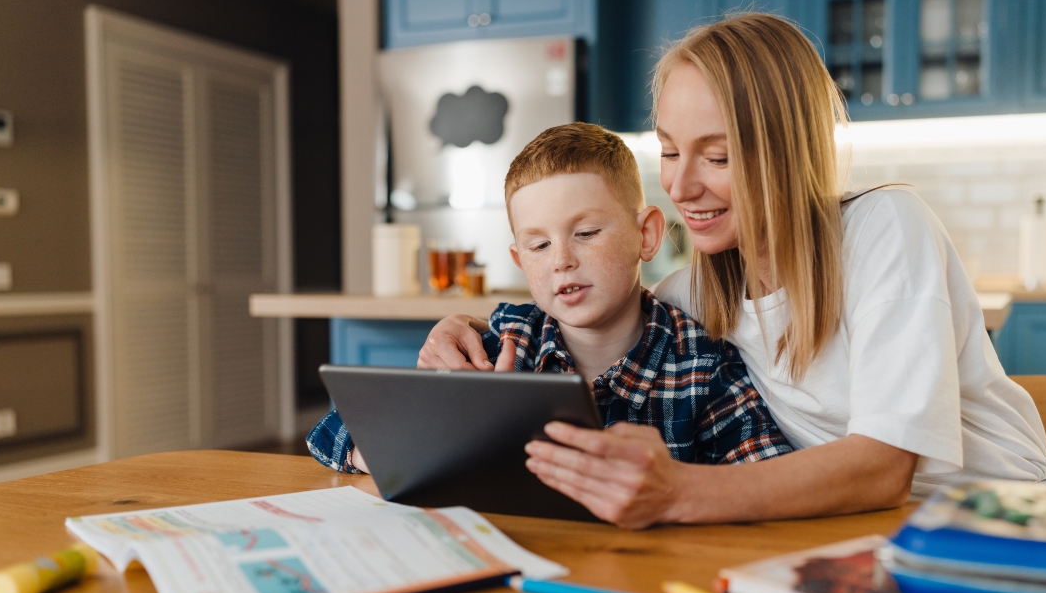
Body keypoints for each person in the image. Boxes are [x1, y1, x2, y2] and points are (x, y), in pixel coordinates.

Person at [418, 13, 1046, 529]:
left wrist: (677, 492)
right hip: (849, 529)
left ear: (786, 151)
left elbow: (883, 468)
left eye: (716, 157)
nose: (681, 185)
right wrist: (474, 331)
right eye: (669, 151)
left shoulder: (884, 227)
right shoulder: (692, 295)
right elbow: (598, 318)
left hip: (1005, 522)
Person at [306, 122, 793, 494]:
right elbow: (330, 434)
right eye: (539, 246)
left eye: (585, 234)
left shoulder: (702, 366)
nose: (561, 260)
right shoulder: (502, 346)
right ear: (520, 261)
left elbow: (769, 477)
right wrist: (417, 449)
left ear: (646, 235)